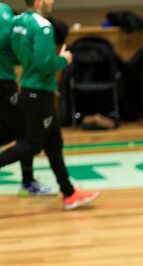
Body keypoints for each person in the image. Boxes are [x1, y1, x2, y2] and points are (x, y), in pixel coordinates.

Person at [0, 0, 96, 209]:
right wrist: (63, 59)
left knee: (54, 144)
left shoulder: (18, 21)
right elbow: (44, 64)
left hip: (28, 88)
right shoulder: (43, 26)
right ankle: (61, 191)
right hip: (39, 92)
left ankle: (69, 193)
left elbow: (16, 54)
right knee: (30, 144)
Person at [0, 1, 51, 196]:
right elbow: (12, 44)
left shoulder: (5, 10)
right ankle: (28, 183)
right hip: (3, 82)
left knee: (11, 130)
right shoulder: (3, 13)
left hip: (6, 79)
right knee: (23, 131)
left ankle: (28, 182)